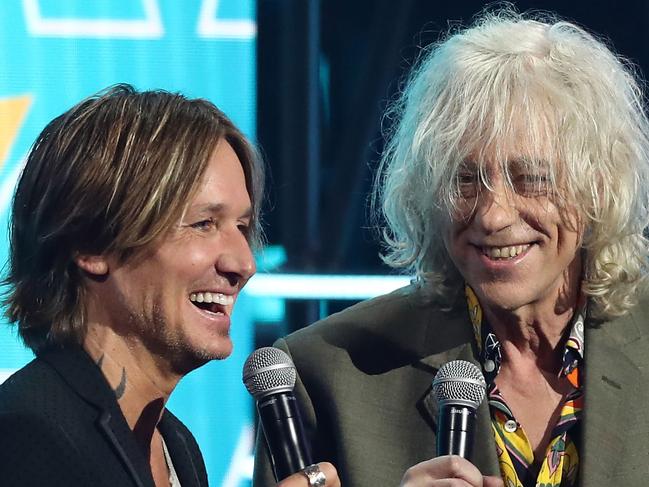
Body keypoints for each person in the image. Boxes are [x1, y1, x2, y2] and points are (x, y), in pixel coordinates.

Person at [253, 8, 649, 487]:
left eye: (531, 180)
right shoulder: (327, 377)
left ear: (598, 187)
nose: (493, 216)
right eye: (464, 181)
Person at [0, 84, 340, 487]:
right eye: (203, 224)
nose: (244, 264)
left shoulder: (177, 445)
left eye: (243, 228)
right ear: (92, 246)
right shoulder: (28, 436)